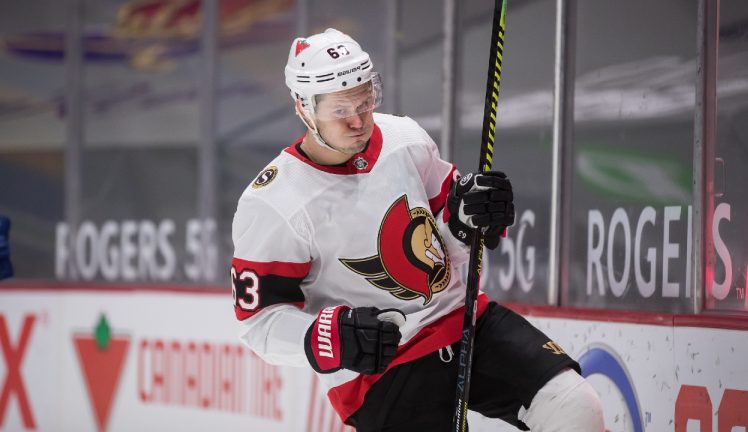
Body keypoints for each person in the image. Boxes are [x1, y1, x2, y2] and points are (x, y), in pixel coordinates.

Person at [231, 28, 604, 431]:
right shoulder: (273, 202)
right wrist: (328, 337)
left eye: (365, 101)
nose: (358, 121)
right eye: (340, 110)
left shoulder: (403, 138)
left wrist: (469, 221)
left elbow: (442, 244)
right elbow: (259, 323)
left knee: (573, 406)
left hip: (463, 321)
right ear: (305, 109)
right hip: (381, 370)